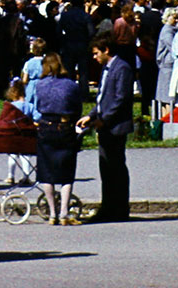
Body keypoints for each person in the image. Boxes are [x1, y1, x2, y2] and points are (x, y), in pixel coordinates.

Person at [77, 34, 134, 222]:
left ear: (106, 50)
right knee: (106, 168)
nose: (95, 57)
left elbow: (121, 99)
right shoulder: (107, 69)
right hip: (105, 125)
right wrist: (91, 115)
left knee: (115, 167)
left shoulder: (122, 68)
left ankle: (118, 208)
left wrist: (104, 119)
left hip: (115, 126)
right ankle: (108, 206)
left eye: (96, 53)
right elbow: (103, 98)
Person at [34, 53, 84, 225]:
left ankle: (52, 213)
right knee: (66, 173)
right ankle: (64, 212)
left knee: (47, 172)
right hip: (65, 127)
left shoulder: (40, 85)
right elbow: (78, 107)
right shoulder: (71, 85)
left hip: (46, 126)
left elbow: (38, 106)